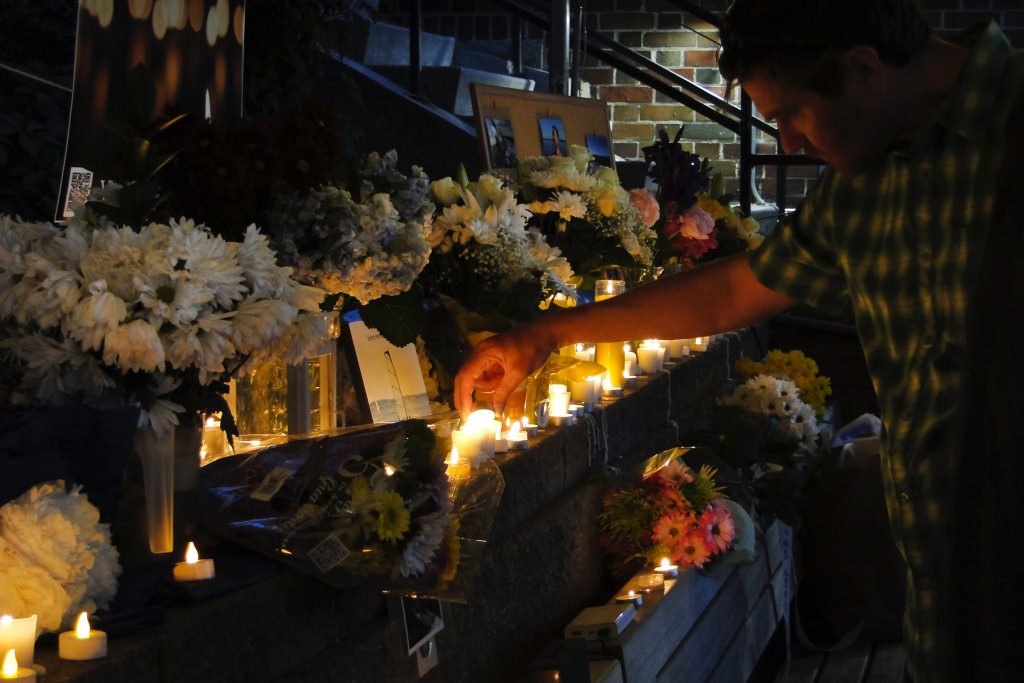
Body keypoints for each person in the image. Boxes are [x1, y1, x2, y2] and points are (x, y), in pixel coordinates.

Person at [454, 1, 1023, 680]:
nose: (786, 142)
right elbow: (732, 291)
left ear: (863, 69)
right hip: (940, 602)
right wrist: (546, 333)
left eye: (788, 115)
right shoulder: (865, 181)